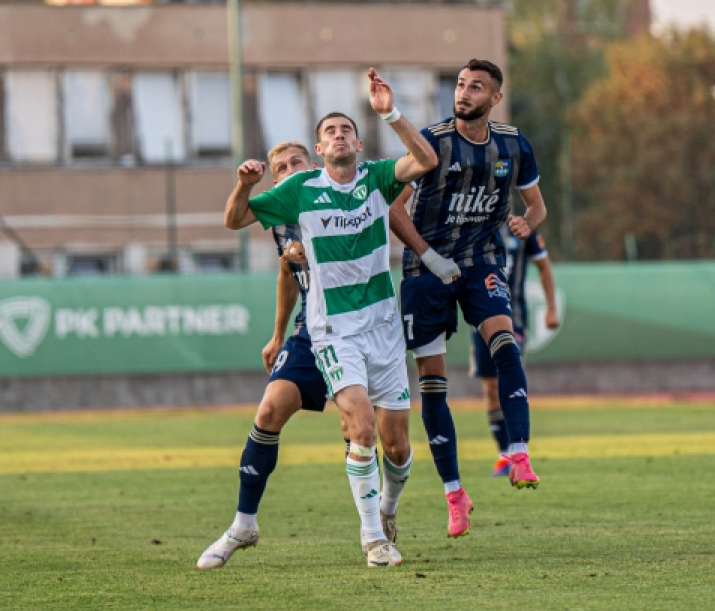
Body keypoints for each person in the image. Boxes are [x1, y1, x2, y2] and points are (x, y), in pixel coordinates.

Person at [219, 68, 438, 567]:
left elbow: (425, 159)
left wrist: (391, 113)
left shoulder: (379, 178)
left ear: (358, 143)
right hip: (332, 332)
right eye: (329, 132)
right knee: (359, 431)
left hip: (383, 328)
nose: (338, 136)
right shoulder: (299, 190)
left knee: (397, 447)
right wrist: (243, 185)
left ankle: (386, 506)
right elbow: (234, 220)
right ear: (321, 150)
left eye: (345, 130)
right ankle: (373, 541)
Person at [389, 57, 547, 538]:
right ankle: (455, 494)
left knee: (507, 344)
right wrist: (428, 255)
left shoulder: (513, 144)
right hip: (426, 269)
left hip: (481, 262)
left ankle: (518, 452)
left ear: (494, 97)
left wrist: (527, 222)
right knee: (433, 383)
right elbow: (394, 210)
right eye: (460, 84)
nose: (464, 92)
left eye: (476, 87)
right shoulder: (432, 142)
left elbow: (536, 204)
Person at [197, 141, 329, 569]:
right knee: (269, 411)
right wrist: (277, 336)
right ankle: (243, 524)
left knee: (374, 435)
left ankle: (380, 523)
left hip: (361, 331)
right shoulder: (280, 212)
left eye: (297, 163)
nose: (290, 170)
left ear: (315, 165)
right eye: (281, 168)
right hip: (310, 333)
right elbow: (241, 226)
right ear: (275, 180)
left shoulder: (340, 193)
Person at [470, 229, 559, 477]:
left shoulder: (522, 228)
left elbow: (544, 266)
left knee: (508, 373)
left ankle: (517, 449)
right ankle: (504, 452)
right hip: (478, 317)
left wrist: (551, 308)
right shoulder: (476, 223)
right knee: (489, 387)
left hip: (514, 319)